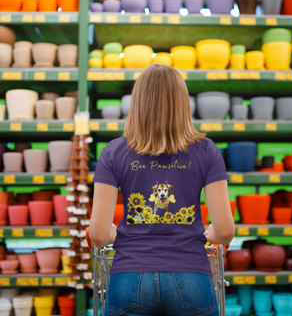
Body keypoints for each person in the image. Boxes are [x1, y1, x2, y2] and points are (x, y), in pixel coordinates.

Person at [89, 64, 235, 316]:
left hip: (128, 279)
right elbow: (224, 231)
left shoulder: (113, 152)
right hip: (191, 278)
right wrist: (206, 233)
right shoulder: (207, 150)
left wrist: (120, 233)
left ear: (137, 103)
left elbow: (98, 235)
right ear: (182, 102)